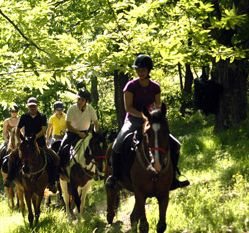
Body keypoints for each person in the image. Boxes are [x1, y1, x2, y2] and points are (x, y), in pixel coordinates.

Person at [105, 54, 190, 190]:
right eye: (138, 70)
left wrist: (156, 116)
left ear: (148, 70)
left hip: (151, 120)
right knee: (117, 144)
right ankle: (114, 177)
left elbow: (157, 105)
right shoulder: (130, 86)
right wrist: (143, 116)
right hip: (132, 120)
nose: (140, 72)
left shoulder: (155, 87)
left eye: (143, 70)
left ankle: (173, 177)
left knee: (176, 145)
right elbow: (128, 107)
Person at [4, 97, 58, 193]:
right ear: (28, 106)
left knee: (55, 157)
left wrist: (35, 137)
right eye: (30, 106)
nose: (32, 108)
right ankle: (10, 177)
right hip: (26, 144)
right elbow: (18, 129)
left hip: (40, 143)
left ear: (37, 105)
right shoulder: (24, 117)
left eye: (34, 106)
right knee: (12, 156)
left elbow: (43, 130)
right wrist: (19, 139)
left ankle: (52, 182)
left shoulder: (42, 116)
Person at [58, 89, 99, 171]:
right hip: (71, 134)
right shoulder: (72, 108)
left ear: (86, 101)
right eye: (79, 99)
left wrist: (95, 134)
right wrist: (78, 133)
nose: (79, 101)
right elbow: (67, 125)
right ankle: (59, 171)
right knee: (62, 149)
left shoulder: (90, 109)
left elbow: (96, 123)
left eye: (82, 100)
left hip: (85, 134)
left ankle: (97, 171)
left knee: (96, 148)